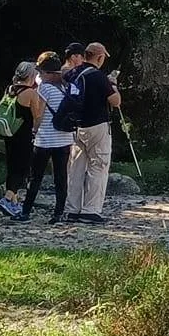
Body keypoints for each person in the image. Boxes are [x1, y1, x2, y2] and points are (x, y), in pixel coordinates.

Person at [17, 52, 74, 224]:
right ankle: (58, 214)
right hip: (65, 138)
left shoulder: (43, 89)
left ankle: (25, 212)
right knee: (61, 177)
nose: (39, 75)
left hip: (45, 139)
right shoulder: (66, 86)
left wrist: (34, 130)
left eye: (41, 72)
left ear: (46, 72)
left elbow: (39, 114)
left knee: (36, 177)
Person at [67, 42, 120, 224]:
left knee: (75, 169)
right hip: (97, 125)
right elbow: (115, 102)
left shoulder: (74, 73)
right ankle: (91, 210)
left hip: (76, 126)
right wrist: (113, 85)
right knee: (98, 166)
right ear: (99, 57)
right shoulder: (99, 77)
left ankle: (72, 209)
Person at [0, 61, 37, 219]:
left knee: (12, 165)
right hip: (24, 134)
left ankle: (13, 203)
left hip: (10, 132)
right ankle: (7, 199)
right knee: (23, 168)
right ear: (31, 75)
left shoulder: (10, 89)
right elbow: (37, 115)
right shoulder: (30, 93)